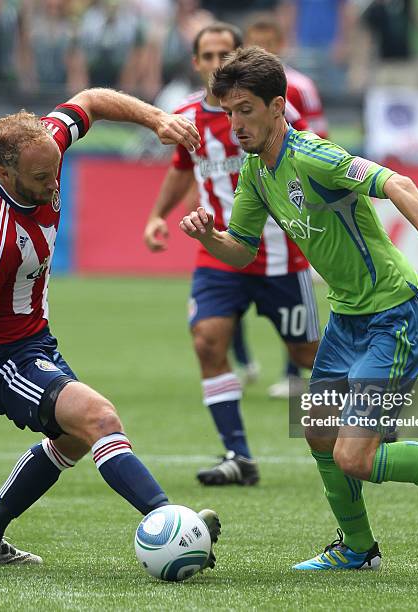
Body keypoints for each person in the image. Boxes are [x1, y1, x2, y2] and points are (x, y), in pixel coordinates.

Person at [180, 46, 418, 569]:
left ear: (278, 107)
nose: (235, 124)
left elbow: (400, 184)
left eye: (246, 109)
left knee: (353, 456)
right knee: (319, 431)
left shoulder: (315, 155)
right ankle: (358, 549)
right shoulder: (255, 173)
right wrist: (210, 237)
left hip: (394, 316)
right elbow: (243, 248)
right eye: (228, 112)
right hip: (345, 321)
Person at [0, 87, 220, 565]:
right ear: (5, 173)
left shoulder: (41, 143)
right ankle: (174, 522)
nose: (54, 182)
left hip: (34, 338)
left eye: (55, 168)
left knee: (71, 437)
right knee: (99, 420)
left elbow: (90, 99)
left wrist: (157, 119)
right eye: (39, 176)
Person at [143, 24, 320, 487]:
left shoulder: (275, 111)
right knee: (207, 341)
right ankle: (238, 455)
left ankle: (366, 421)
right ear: (197, 62)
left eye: (226, 52)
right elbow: (182, 169)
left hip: (280, 255)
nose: (216, 61)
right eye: (208, 54)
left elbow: (308, 155)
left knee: (309, 353)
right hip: (220, 252)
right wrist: (157, 215)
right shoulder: (184, 118)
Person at [243, 16, 329, 398]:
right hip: (253, 191)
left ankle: (295, 370)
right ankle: (244, 363)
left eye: (268, 43)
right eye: (255, 43)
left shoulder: (302, 87)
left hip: (291, 192)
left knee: (293, 292)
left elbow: (319, 137)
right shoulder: (240, 91)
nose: (263, 49)